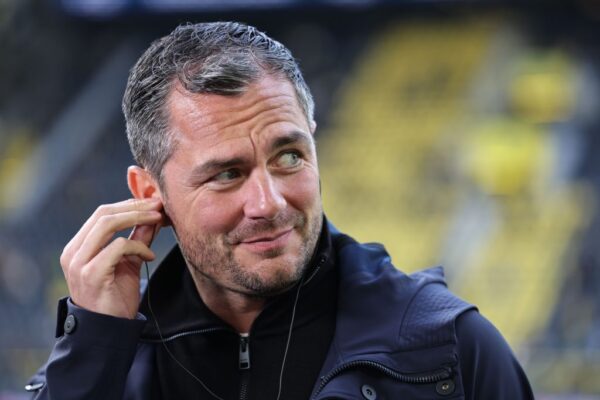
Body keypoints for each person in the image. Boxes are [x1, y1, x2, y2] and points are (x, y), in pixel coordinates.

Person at [26, 22, 534, 399]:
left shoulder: (455, 352)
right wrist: (94, 350)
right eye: (227, 174)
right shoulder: (104, 367)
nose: (269, 203)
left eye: (289, 157)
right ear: (150, 193)